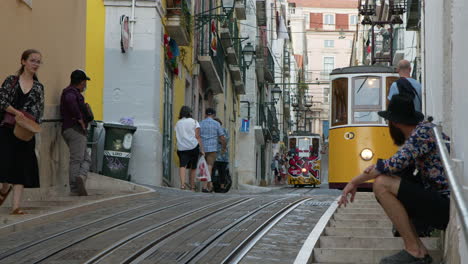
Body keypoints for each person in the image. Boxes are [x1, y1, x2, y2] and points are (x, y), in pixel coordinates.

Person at [339, 95, 450, 264]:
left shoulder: (422, 133)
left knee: (382, 184)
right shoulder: (424, 131)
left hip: (445, 205)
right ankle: (418, 250)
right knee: (392, 176)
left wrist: (354, 182)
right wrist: (379, 167)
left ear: (395, 123)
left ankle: (415, 251)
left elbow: (392, 164)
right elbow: (395, 164)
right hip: (441, 202)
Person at [0, 49, 44, 215]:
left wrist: (32, 125)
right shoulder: (11, 81)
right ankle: (4, 188)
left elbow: (39, 112)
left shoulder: (39, 87)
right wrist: (16, 112)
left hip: (25, 132)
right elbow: (2, 101)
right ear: (23, 61)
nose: (36, 64)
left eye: (38, 62)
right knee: (4, 163)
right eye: (33, 60)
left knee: (22, 166)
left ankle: (16, 206)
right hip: (7, 128)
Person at [60, 69, 92, 196]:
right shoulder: (70, 93)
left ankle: (81, 177)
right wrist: (80, 119)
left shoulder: (72, 92)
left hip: (73, 130)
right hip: (74, 130)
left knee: (86, 159)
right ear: (82, 82)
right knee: (77, 160)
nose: (85, 85)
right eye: (85, 82)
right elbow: (71, 102)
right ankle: (75, 187)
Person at [175, 106, 204, 191]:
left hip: (181, 147)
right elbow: (197, 136)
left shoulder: (178, 123)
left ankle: (183, 185)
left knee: (182, 165)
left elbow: (177, 136)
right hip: (193, 146)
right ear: (189, 113)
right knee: (193, 167)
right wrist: (202, 149)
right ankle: (192, 187)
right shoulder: (194, 122)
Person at [199, 108, 226, 193]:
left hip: (202, 148)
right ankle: (204, 187)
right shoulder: (217, 124)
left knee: (202, 166)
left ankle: (205, 185)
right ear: (214, 115)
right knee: (209, 166)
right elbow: (222, 137)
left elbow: (196, 135)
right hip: (212, 148)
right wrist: (223, 148)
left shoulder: (200, 123)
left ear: (205, 114)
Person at [212, 118, 230, 193]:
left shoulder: (224, 131)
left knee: (222, 172)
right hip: (214, 155)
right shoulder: (212, 132)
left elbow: (225, 140)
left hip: (223, 156)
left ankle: (222, 187)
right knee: (212, 171)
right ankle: (211, 186)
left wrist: (219, 138)